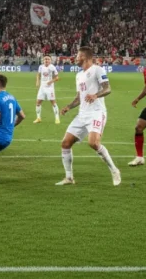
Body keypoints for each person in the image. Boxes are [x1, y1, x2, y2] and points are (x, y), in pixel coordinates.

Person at [56, 46, 121, 186]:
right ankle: (69, 177)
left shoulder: (97, 70)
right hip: (82, 114)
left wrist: (96, 95)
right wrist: (68, 106)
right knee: (65, 143)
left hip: (96, 112)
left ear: (84, 57)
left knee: (94, 143)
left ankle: (115, 170)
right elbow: (80, 97)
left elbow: (107, 88)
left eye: (78, 55)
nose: (75, 57)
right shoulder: (78, 75)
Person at [34, 55, 60, 124]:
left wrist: (51, 81)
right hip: (42, 87)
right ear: (43, 60)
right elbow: (38, 75)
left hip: (50, 87)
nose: (46, 60)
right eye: (45, 59)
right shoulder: (41, 67)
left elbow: (57, 77)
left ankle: (57, 118)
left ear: (50, 60)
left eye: (48, 59)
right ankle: (38, 118)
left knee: (53, 102)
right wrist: (37, 81)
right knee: (38, 102)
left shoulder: (52, 67)